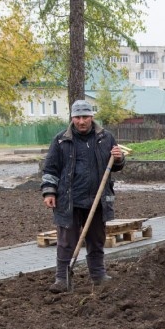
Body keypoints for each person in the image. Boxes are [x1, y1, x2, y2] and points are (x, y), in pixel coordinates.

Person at [41, 99, 125, 292]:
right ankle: (62, 279)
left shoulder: (106, 138)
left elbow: (116, 166)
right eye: (77, 117)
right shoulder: (61, 140)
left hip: (97, 200)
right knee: (66, 242)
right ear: (72, 118)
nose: (81, 121)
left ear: (91, 117)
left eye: (85, 117)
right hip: (69, 200)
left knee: (96, 239)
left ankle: (98, 276)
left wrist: (120, 158)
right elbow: (50, 169)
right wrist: (49, 191)